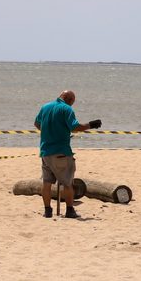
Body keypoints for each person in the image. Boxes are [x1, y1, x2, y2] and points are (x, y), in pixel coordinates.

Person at [34, 90, 102, 218]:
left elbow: (37, 123)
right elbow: (74, 127)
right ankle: (70, 210)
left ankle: (47, 210)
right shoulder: (66, 109)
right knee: (67, 183)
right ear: (69, 100)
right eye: (72, 102)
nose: (72, 105)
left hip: (45, 152)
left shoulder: (45, 107)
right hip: (61, 152)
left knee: (47, 183)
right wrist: (91, 125)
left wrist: (49, 132)